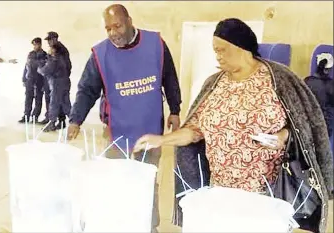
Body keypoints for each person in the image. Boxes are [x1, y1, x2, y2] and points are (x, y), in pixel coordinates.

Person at [134, 18, 333, 233]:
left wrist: (283, 137)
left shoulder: (279, 79)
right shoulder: (214, 83)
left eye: (222, 50)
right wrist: (161, 140)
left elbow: (305, 125)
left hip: (265, 196)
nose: (217, 56)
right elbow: (194, 131)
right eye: (215, 51)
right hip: (221, 194)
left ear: (242, 47)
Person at [67, 4, 182, 232]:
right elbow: (86, 89)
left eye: (117, 26)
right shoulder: (100, 54)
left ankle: (148, 227)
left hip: (150, 132)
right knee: (116, 182)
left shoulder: (155, 44)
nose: (113, 33)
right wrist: (75, 120)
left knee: (147, 183)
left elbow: (169, 77)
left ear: (129, 21)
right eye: (108, 28)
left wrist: (175, 109)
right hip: (115, 132)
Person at [38, 31, 72, 128]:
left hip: (57, 81)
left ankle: (51, 123)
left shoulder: (56, 51)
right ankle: (72, 121)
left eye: (49, 40)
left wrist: (40, 69)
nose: (48, 42)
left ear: (54, 39)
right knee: (65, 103)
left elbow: (50, 68)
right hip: (64, 80)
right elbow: (68, 66)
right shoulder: (62, 49)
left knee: (54, 102)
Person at [18, 37, 47, 123]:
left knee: (38, 99)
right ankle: (26, 116)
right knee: (28, 99)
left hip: (39, 80)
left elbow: (44, 69)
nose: (35, 46)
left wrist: (45, 84)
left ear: (40, 44)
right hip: (29, 79)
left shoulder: (44, 55)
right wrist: (24, 78)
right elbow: (26, 67)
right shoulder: (31, 54)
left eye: (36, 44)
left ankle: (35, 117)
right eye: (34, 45)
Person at [304, 54, 334, 139]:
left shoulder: (307, 80)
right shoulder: (330, 85)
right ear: (328, 69)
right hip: (325, 126)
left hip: (308, 123)